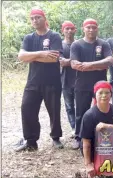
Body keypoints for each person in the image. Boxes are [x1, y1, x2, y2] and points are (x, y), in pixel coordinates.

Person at [15, 8, 63, 152]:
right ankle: (30, 141)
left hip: (52, 81)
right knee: (27, 108)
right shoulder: (29, 38)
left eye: (38, 17)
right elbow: (21, 56)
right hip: (33, 82)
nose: (35, 20)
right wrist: (42, 53)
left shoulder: (54, 36)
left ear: (44, 18)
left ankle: (55, 138)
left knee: (54, 111)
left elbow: (53, 58)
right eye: (33, 18)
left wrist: (31, 56)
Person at [70, 18, 113, 149]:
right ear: (83, 28)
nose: (91, 30)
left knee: (102, 110)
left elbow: (110, 60)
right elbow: (74, 64)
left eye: (93, 27)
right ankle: (79, 137)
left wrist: (88, 65)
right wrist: (100, 65)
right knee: (81, 113)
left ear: (97, 28)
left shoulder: (103, 44)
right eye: (88, 27)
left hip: (100, 86)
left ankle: (101, 136)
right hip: (82, 84)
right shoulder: (76, 45)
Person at [79, 81, 113, 178]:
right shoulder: (89, 115)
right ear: (95, 95)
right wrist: (88, 164)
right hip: (96, 150)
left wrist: (108, 126)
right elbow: (86, 142)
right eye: (100, 93)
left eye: (107, 92)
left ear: (111, 94)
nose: (104, 95)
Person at [59, 21, 77, 135]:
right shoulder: (59, 45)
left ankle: (81, 127)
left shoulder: (79, 44)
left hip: (79, 80)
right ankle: (74, 128)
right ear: (63, 31)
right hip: (65, 80)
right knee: (69, 107)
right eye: (67, 29)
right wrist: (75, 61)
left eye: (71, 28)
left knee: (81, 106)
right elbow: (61, 62)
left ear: (75, 30)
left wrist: (68, 61)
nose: (69, 31)